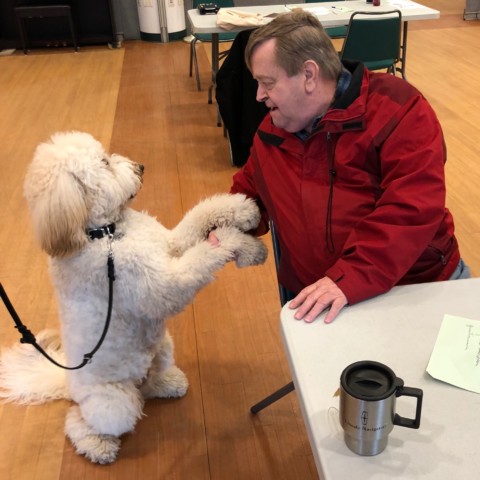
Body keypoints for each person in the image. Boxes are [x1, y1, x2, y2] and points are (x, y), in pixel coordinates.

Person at [225, 10, 470, 324]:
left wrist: (348, 276)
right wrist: (223, 227)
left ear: (309, 75)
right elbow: (250, 195)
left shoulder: (398, 110)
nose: (259, 95)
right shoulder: (273, 130)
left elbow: (410, 210)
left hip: (412, 290)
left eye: (267, 82)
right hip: (321, 296)